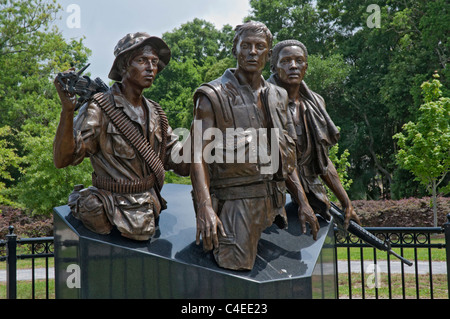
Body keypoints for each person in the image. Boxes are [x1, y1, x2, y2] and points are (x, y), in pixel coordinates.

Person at [190, 21, 319, 271]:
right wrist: (205, 207)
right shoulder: (212, 96)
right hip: (236, 204)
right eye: (246, 45)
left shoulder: (277, 95)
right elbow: (197, 155)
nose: (252, 52)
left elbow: (286, 155)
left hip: (274, 206)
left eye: (260, 47)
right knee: (235, 276)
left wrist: (303, 201)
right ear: (234, 49)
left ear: (268, 53)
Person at [53, 32, 189, 241]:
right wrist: (67, 112)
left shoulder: (156, 113)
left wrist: (202, 134)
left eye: (154, 62)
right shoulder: (99, 108)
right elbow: (63, 160)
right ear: (124, 66)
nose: (151, 67)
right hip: (111, 206)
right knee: (92, 209)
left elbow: (179, 161)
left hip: (150, 202)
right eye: (142, 60)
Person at [267, 39, 361, 228]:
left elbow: (322, 160)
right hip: (273, 194)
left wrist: (346, 202)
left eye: (299, 61)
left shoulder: (315, 103)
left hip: (310, 189)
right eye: (285, 61)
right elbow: (282, 158)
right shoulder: (263, 100)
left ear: (306, 66)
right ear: (274, 67)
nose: (293, 66)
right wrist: (302, 202)